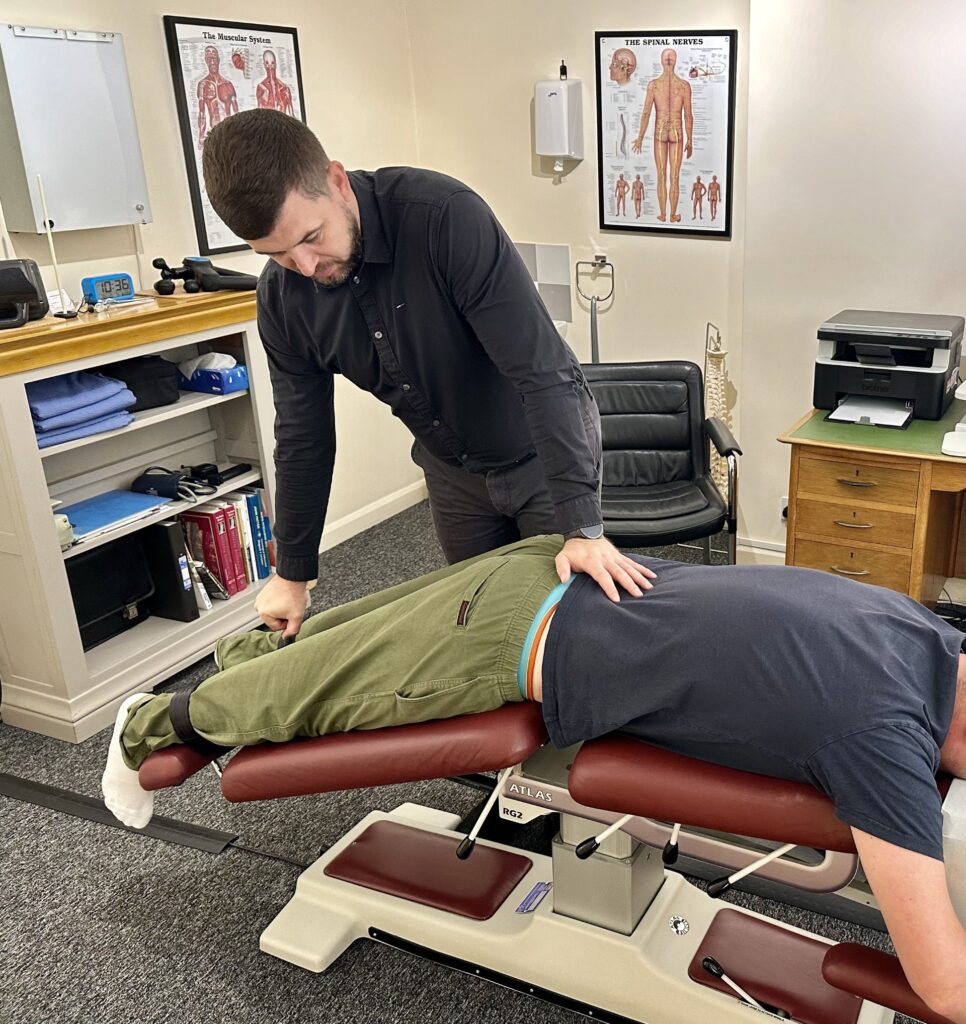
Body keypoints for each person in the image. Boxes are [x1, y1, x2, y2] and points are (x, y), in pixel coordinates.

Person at [102, 536, 966, 1021]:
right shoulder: (883, 740)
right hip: (502, 647)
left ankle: (239, 657)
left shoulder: (917, 625)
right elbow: (943, 987)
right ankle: (148, 720)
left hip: (539, 568)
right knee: (309, 699)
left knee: (330, 651)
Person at [201, 109, 651, 637]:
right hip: (452, 470)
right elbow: (302, 437)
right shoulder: (283, 300)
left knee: (570, 624)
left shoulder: (443, 218)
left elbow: (542, 373)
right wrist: (293, 572)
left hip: (541, 453)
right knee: (481, 627)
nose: (304, 267)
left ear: (337, 182)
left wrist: (582, 527)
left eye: (312, 237)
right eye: (275, 254)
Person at [631, 48, 693, 223]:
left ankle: (663, 214)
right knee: (674, 176)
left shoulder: (654, 85)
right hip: (677, 132)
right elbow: (688, 115)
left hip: (659, 131)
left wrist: (640, 137)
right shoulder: (683, 86)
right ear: (675, 61)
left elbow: (646, 113)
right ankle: (673, 215)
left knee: (661, 175)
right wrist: (690, 139)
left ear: (662, 61)